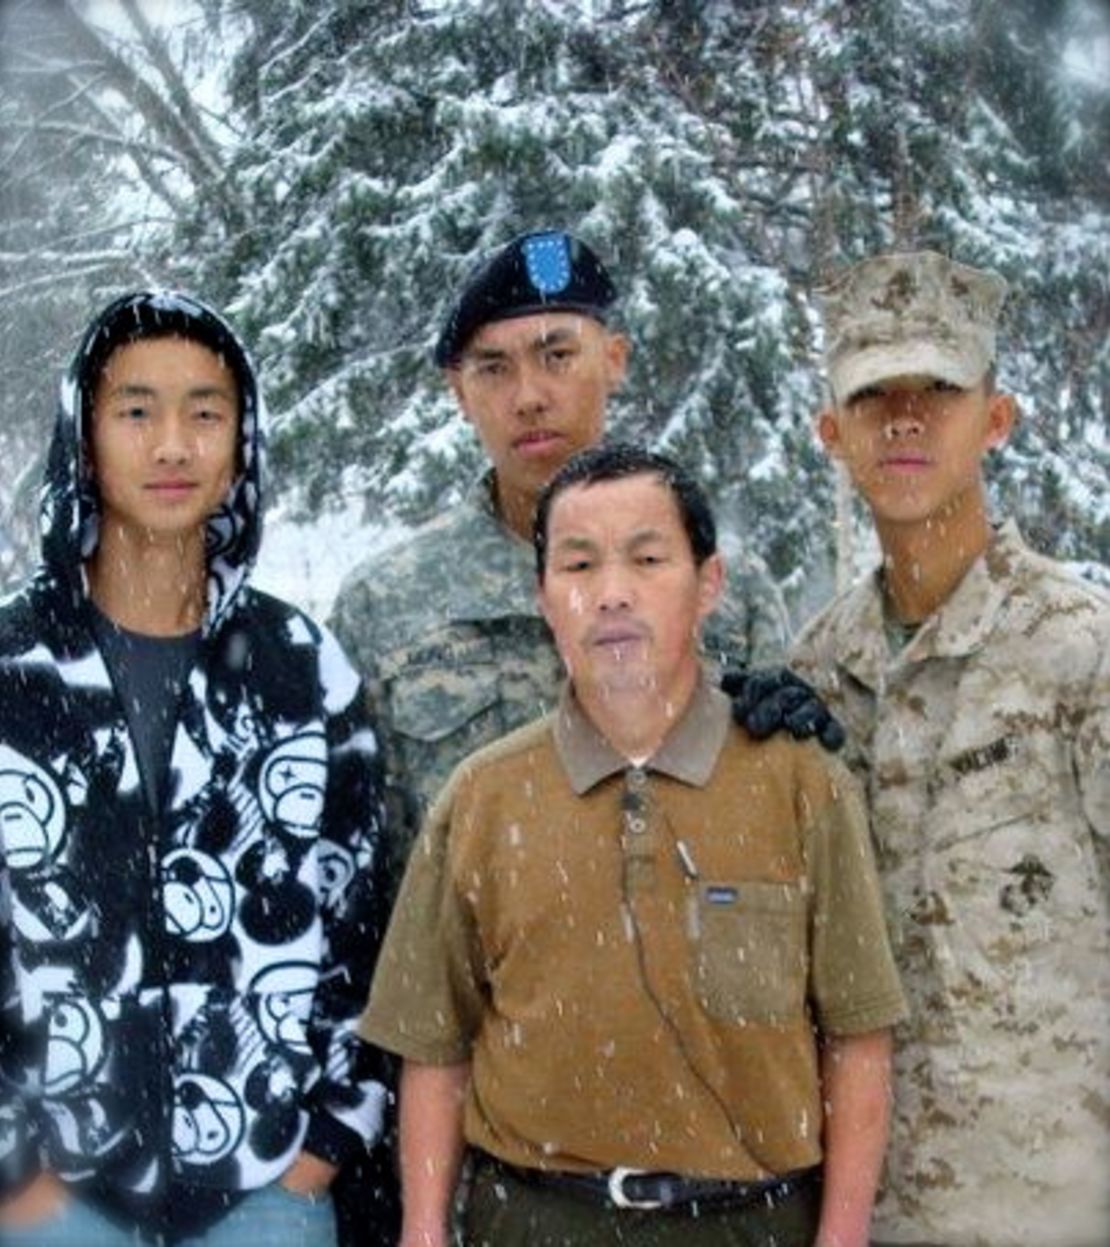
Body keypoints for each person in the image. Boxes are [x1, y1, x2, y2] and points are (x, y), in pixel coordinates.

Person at [361, 442, 907, 1247]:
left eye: (648, 559)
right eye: (578, 566)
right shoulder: (481, 798)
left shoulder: (801, 782)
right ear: (544, 596)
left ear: (707, 584)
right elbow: (435, 1047)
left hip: (753, 1222)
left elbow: (858, 1036)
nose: (612, 594)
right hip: (535, 1218)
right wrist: (422, 1227)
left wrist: (843, 1233)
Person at [0, 292, 392, 1246]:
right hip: (56, 1195)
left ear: (240, 440)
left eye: (205, 411)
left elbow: (365, 922)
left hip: (265, 1187)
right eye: (137, 410)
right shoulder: (15, 667)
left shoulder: (300, 667)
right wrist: (17, 1174)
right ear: (84, 435)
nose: (172, 444)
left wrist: (328, 1140)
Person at [329, 229, 837, 885]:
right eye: (493, 369)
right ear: (459, 393)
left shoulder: (723, 591)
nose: (529, 395)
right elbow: (356, 866)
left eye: (557, 355)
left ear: (615, 359)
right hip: (480, 980)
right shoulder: (387, 606)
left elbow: (787, 836)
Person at [790, 251, 1110, 1247]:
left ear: (998, 417)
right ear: (831, 433)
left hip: (1048, 1205)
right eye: (873, 394)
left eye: (938, 389)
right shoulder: (812, 675)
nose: (904, 418)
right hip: (861, 1208)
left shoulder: (1081, 649)